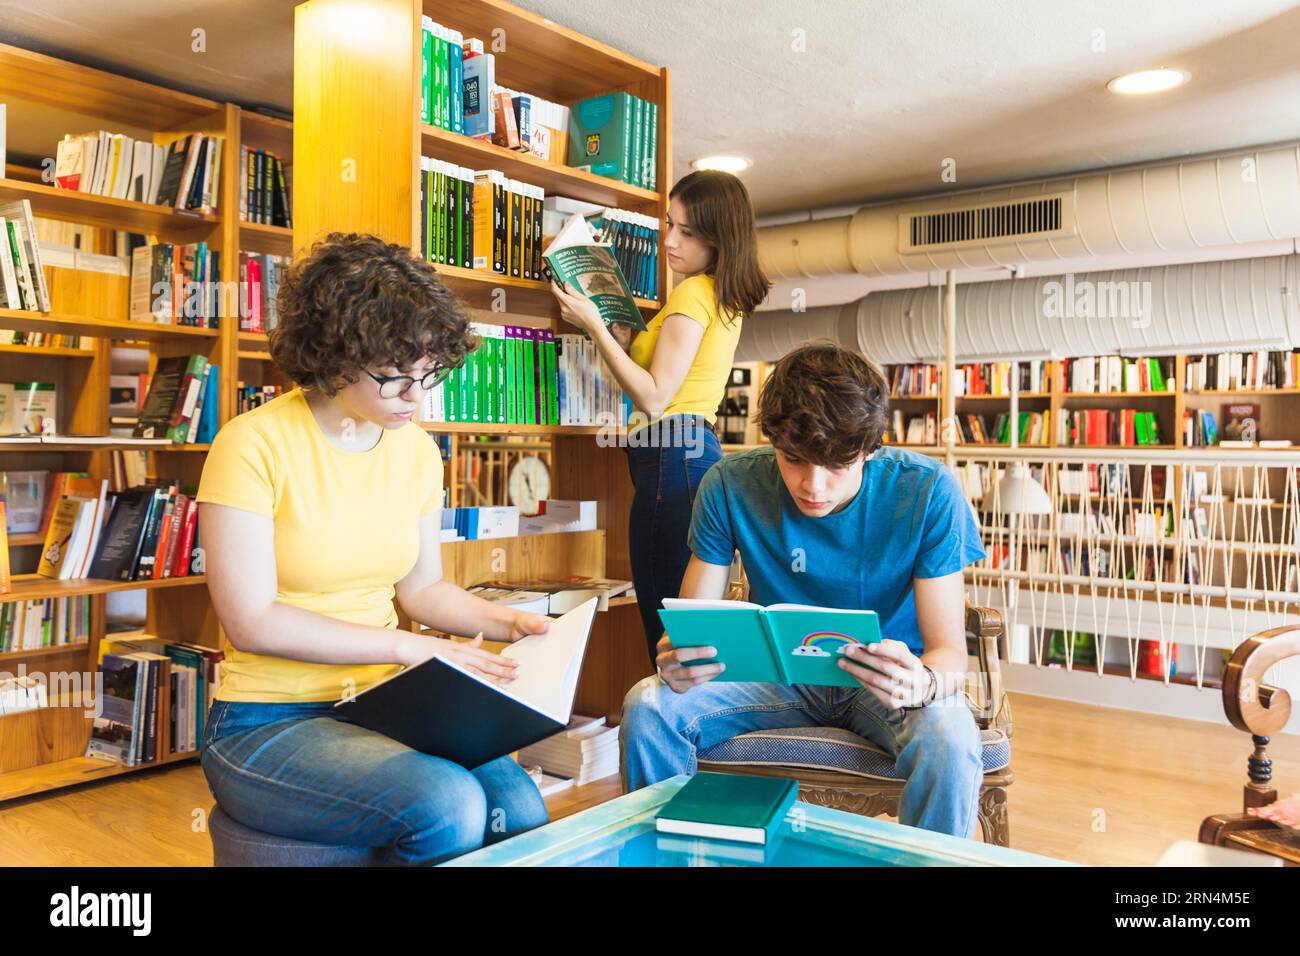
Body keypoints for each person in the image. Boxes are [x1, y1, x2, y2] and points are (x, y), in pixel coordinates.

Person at [196, 233, 551, 865]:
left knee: (521, 810)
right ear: (335, 356)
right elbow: (249, 621)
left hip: (383, 703)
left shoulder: (416, 451)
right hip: (268, 719)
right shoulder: (250, 444)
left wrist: (515, 622)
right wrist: (411, 646)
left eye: (429, 374)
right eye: (394, 378)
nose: (417, 398)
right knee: (450, 806)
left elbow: (422, 590)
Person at [619, 341, 989, 838]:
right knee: (647, 706)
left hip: (886, 684)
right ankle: (678, 854)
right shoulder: (728, 484)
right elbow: (697, 619)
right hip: (773, 677)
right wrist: (676, 655)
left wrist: (924, 682)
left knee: (949, 732)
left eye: (837, 463)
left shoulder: (928, 491)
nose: (813, 485)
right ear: (771, 438)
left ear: (872, 448)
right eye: (793, 459)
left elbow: (949, 654)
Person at [550, 170, 771, 666]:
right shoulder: (718, 295)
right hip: (687, 456)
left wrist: (591, 324)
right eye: (669, 224)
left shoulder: (693, 294)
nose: (669, 240)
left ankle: (681, 740)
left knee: (670, 637)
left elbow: (653, 398)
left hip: (672, 456)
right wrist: (625, 342)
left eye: (687, 232)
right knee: (686, 630)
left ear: (719, 238)